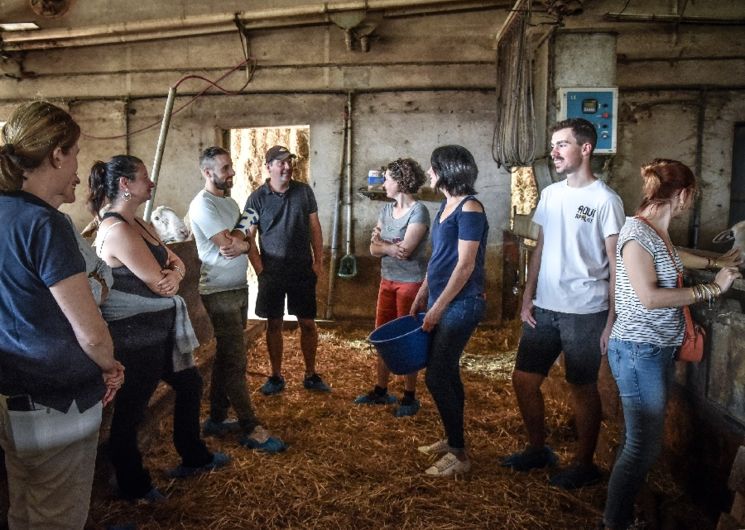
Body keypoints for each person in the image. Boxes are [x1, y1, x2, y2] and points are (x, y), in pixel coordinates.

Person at [0, 101, 124, 529]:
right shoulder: (45, 225)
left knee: (23, 510)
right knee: (59, 519)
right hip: (58, 400)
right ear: (55, 154)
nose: (78, 168)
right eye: (73, 153)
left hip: (11, 397)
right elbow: (90, 332)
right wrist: (110, 367)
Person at [601, 159, 741, 530]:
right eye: (690, 198)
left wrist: (716, 260)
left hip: (651, 349)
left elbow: (674, 253)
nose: (689, 204)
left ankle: (624, 512)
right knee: (641, 448)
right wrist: (713, 287)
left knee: (639, 441)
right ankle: (614, 523)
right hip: (637, 350)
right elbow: (649, 297)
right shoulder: (636, 234)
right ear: (684, 194)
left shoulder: (654, 230)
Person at [89, 155, 229, 502]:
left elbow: (177, 262)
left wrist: (176, 273)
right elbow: (157, 282)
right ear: (125, 185)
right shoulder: (118, 229)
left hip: (159, 331)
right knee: (131, 412)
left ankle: (194, 455)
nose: (150, 184)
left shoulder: (139, 223)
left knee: (191, 384)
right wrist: (170, 275)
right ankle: (132, 483)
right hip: (135, 337)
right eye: (144, 178)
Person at [501, 118, 625, 489]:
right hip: (544, 307)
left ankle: (584, 463)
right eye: (553, 145)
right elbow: (540, 247)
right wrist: (527, 296)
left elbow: (616, 262)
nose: (554, 152)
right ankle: (538, 448)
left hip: (586, 310)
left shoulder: (606, 201)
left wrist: (611, 320)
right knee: (524, 380)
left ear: (585, 148)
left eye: (562, 145)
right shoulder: (552, 194)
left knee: (581, 386)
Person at [188, 146, 285, 452]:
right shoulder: (203, 205)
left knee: (228, 356)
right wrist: (242, 241)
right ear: (208, 172)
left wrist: (241, 241)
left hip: (238, 287)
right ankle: (250, 426)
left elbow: (242, 239)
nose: (231, 173)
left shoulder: (229, 202)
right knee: (236, 359)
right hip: (218, 291)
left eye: (230, 167)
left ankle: (217, 417)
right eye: (226, 168)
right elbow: (229, 242)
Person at [411, 145, 488, 477]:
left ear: (446, 170)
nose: (429, 174)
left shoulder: (470, 209)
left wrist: (438, 307)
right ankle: (453, 439)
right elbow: (439, 258)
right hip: (442, 300)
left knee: (437, 375)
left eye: (432, 168)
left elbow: (466, 265)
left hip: (462, 302)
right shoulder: (447, 204)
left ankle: (459, 454)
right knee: (446, 372)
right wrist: (423, 294)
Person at [245, 145, 330, 395]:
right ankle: (275, 375)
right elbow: (247, 236)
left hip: (302, 269)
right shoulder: (256, 198)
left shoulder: (304, 192)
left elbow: (315, 227)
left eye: (289, 161)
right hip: (272, 272)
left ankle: (311, 374)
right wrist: (260, 269)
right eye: (280, 162)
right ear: (268, 167)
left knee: (307, 322)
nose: (286, 166)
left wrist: (318, 262)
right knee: (273, 323)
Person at [354, 158, 430, 417]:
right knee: (383, 336)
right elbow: (372, 248)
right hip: (387, 281)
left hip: (410, 283)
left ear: (400, 181)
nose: (383, 183)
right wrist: (388, 246)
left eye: (387, 178)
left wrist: (382, 244)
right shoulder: (386, 211)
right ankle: (381, 389)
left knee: (408, 339)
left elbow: (406, 251)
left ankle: (409, 396)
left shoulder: (419, 211)